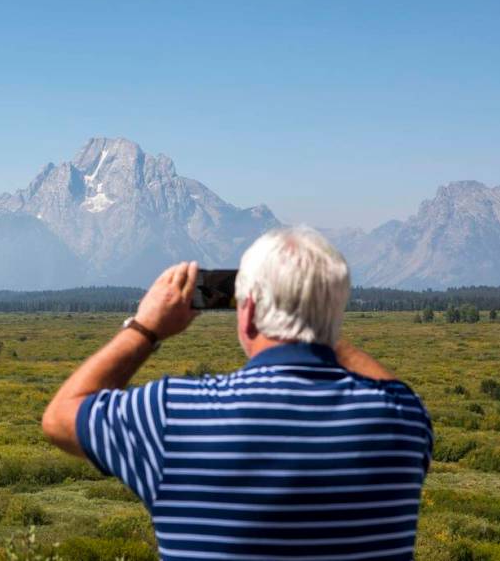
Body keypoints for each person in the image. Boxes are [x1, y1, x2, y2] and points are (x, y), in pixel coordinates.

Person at [42, 227, 432, 561]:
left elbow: (60, 417)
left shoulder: (172, 414)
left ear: (247, 313)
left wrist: (146, 327)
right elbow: (392, 387)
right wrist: (315, 321)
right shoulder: (403, 420)